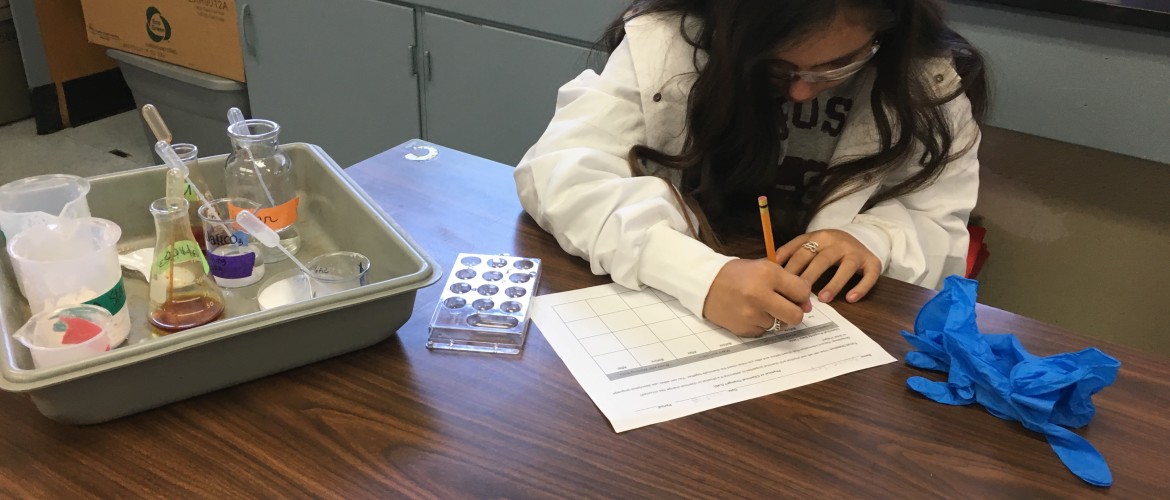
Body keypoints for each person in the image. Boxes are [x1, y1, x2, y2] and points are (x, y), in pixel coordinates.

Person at [514, 0, 987, 336]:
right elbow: (559, 172)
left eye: (838, 65)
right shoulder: (668, 43)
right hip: (677, 312)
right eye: (777, 68)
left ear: (887, 26)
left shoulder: (928, 84)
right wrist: (697, 274)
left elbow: (938, 222)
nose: (801, 91)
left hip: (822, 331)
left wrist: (875, 239)